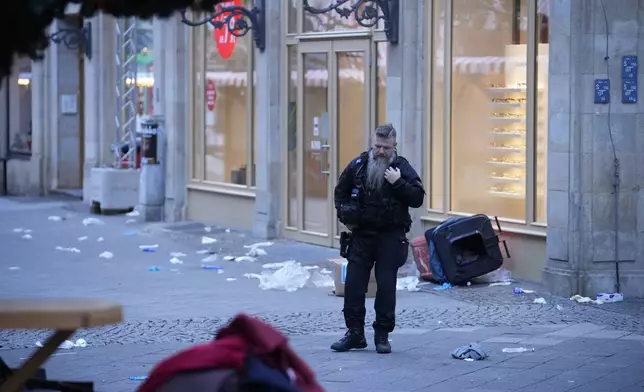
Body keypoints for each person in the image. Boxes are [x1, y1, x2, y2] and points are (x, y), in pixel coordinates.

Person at [331, 123, 425, 354]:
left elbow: (417, 198)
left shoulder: (402, 168)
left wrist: (398, 183)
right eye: (377, 146)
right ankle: (355, 334)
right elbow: (340, 192)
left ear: (395, 146)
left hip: (390, 237)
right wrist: (344, 213)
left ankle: (382, 335)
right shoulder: (359, 165)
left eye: (386, 147)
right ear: (372, 143)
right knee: (353, 286)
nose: (381, 151)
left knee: (385, 287)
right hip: (362, 235)